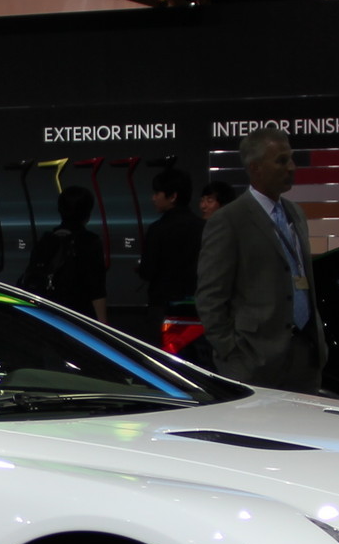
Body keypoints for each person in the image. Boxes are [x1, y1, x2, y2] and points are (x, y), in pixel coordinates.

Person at [196, 129, 326, 391]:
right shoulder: (229, 220)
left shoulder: (295, 213)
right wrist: (231, 352)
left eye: (291, 158)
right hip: (253, 360)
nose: (291, 167)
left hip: (304, 354)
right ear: (255, 167)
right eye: (281, 161)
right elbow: (210, 295)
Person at [21, 186, 110, 322]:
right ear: (87, 213)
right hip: (79, 316)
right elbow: (97, 289)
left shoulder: (46, 240)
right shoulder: (90, 242)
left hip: (47, 315)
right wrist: (104, 327)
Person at [135, 168, 202, 313]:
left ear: (172, 196)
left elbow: (147, 271)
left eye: (157, 193)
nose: (153, 198)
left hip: (163, 305)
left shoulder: (157, 229)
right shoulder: (203, 227)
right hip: (198, 305)